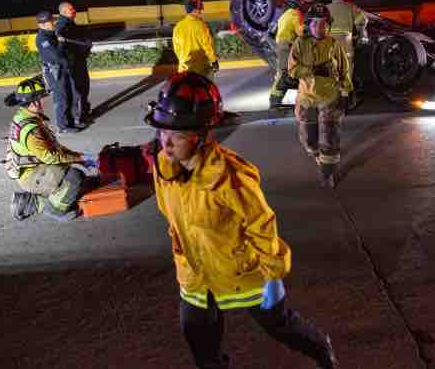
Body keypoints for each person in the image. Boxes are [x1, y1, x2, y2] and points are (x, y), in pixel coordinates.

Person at [144, 72, 338, 369]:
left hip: (242, 271)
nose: (166, 144)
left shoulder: (230, 177)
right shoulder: (163, 170)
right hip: (195, 276)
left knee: (279, 325)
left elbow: (261, 225)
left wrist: (273, 275)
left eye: (178, 135)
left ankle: (321, 349)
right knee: (201, 345)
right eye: (162, 132)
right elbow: (171, 218)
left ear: (203, 135)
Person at [4, 75, 98, 222]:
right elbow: (51, 156)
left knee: (70, 173)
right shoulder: (32, 130)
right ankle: (45, 206)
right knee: (75, 178)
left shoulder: (25, 116)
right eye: (42, 97)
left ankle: (47, 193)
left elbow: (55, 149)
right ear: (34, 102)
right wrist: (80, 159)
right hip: (31, 176)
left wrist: (80, 157)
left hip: (35, 167)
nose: (45, 100)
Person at [288, 3, 353, 188]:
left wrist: (347, 92)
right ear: (308, 25)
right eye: (315, 23)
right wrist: (313, 70)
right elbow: (292, 70)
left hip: (330, 98)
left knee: (330, 138)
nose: (319, 27)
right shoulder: (300, 44)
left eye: (324, 23)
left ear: (328, 25)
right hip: (307, 99)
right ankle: (317, 154)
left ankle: (327, 172)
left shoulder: (334, 44)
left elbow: (344, 70)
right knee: (309, 140)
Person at [34, 10, 78, 133]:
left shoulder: (51, 33)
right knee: (61, 98)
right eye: (49, 21)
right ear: (41, 24)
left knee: (70, 95)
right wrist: (61, 43)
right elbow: (56, 56)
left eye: (52, 20)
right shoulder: (43, 39)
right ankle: (62, 127)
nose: (52, 23)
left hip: (62, 68)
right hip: (54, 71)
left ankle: (70, 122)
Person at [326, 0, 366, 106]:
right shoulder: (351, 7)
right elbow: (362, 21)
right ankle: (344, 100)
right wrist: (359, 35)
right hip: (345, 43)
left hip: (328, 43)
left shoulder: (326, 8)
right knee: (346, 70)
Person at [56, 1, 92, 126]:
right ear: (64, 12)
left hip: (78, 60)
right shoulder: (62, 26)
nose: (74, 10)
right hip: (73, 63)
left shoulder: (70, 23)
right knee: (78, 90)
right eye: (71, 9)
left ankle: (84, 111)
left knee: (84, 87)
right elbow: (62, 45)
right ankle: (78, 117)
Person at [269, 0, 304, 109]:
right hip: (287, 45)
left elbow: (273, 32)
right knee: (284, 72)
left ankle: (276, 98)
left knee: (283, 72)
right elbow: (300, 31)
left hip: (280, 45)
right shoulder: (295, 13)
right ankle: (274, 99)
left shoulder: (283, 16)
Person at [172, 0, 219, 80]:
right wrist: (214, 61)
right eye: (199, 9)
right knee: (207, 87)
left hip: (184, 69)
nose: (200, 12)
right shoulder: (201, 25)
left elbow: (177, 49)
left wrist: (183, 61)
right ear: (194, 10)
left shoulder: (178, 27)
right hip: (201, 69)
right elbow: (208, 45)